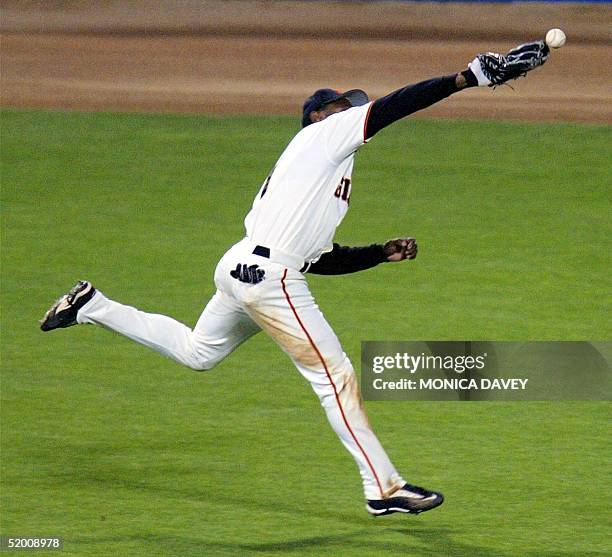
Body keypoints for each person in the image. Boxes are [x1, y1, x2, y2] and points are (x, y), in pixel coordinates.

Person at [40, 41, 549, 516]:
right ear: (320, 115)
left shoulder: (323, 176)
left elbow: (318, 259)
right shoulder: (321, 137)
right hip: (267, 278)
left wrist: (377, 254)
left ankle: (91, 306)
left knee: (199, 353)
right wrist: (468, 78)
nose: (353, 110)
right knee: (337, 378)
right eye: (343, 105)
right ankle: (384, 487)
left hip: (243, 267)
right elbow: (396, 106)